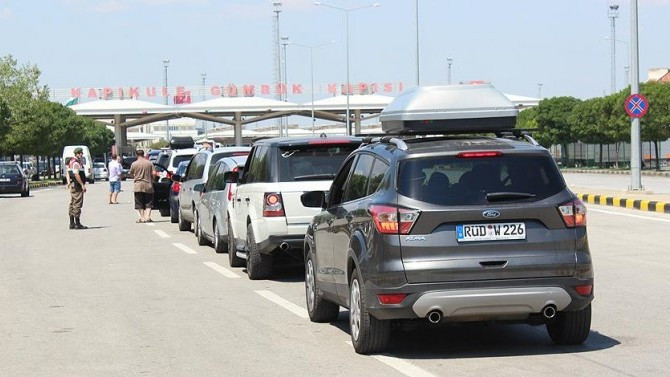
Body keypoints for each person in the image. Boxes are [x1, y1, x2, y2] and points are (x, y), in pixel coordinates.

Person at [129, 149, 155, 223]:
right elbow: (154, 173)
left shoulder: (134, 164)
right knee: (149, 202)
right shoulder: (149, 163)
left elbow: (131, 174)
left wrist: (134, 176)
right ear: (143, 154)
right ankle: (148, 217)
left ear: (136, 155)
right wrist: (152, 179)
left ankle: (142, 218)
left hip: (138, 185)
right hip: (148, 185)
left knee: (139, 202)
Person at [67, 148, 88, 230]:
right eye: (80, 153)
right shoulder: (76, 163)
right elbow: (76, 174)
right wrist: (82, 185)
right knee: (77, 203)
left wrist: (69, 182)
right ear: (76, 154)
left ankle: (72, 223)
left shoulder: (71, 161)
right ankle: (77, 223)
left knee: (72, 203)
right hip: (77, 186)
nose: (81, 154)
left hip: (73, 184)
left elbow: (68, 172)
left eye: (81, 153)